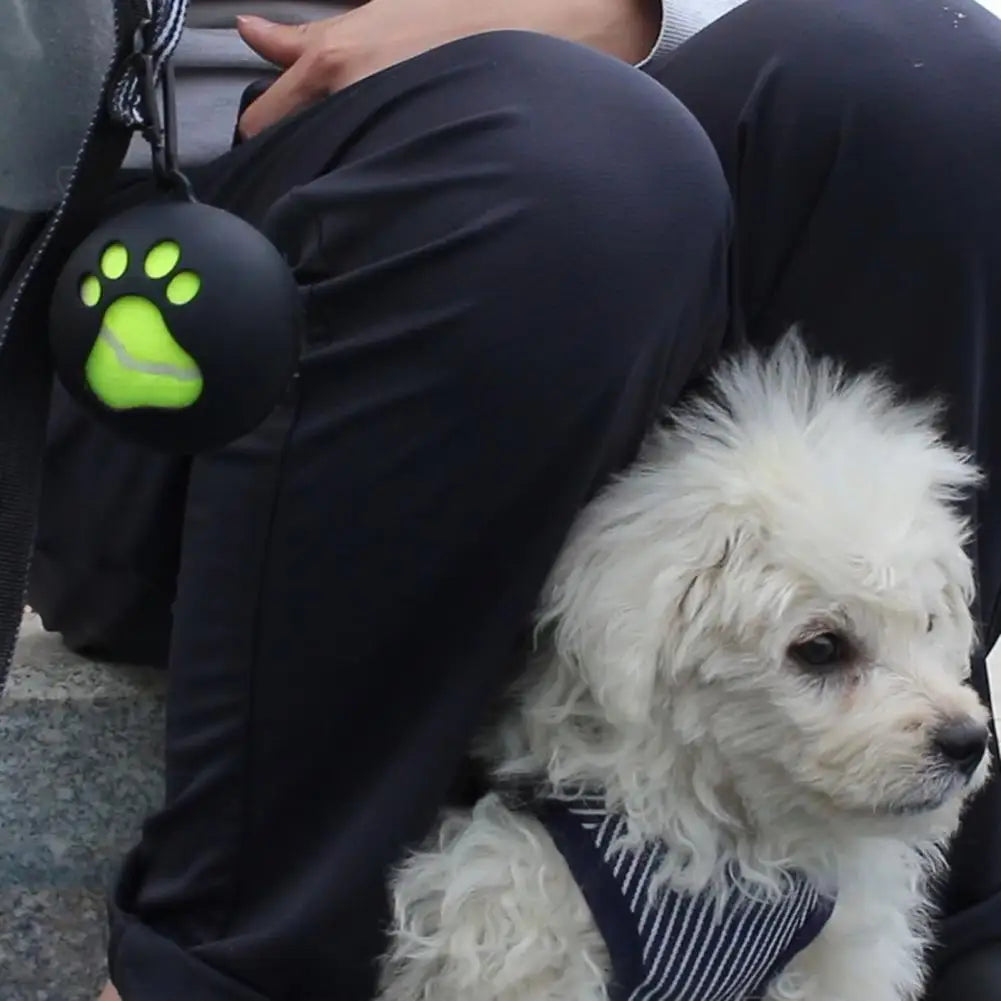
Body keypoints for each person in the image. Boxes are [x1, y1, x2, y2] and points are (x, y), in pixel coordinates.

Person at [20, 0, 1001, 998]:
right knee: (571, 153)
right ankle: (231, 963)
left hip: (584, 171)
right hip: (158, 284)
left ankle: (901, 914)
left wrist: (612, 12)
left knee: (924, 84)